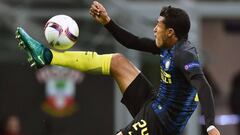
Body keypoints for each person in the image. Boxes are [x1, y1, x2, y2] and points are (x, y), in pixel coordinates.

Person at [15, 1, 220, 135]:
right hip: (155, 103)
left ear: (171, 32)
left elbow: (204, 87)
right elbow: (133, 42)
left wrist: (210, 125)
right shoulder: (168, 46)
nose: (154, 28)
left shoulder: (184, 54)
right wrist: (107, 22)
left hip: (161, 124)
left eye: (159, 25)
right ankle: (48, 56)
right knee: (117, 62)